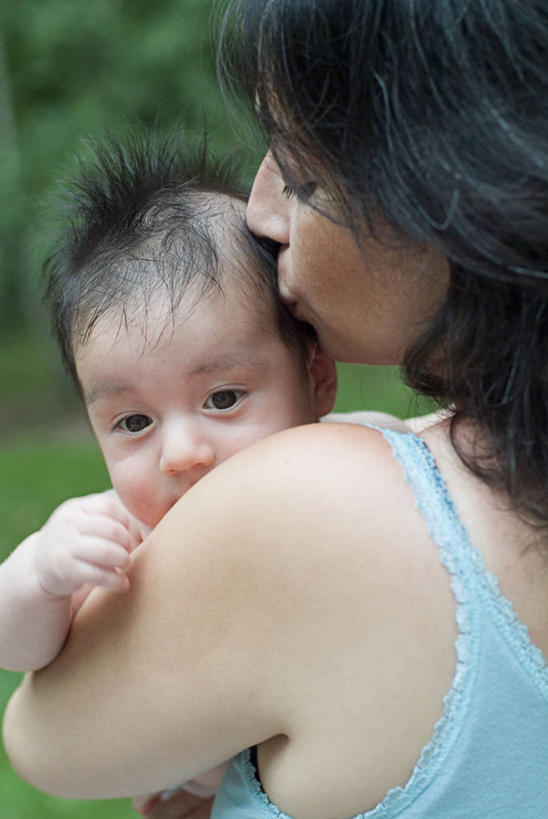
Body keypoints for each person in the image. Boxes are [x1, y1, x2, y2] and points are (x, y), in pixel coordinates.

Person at [4, 1, 548, 817]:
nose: (262, 212)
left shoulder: (310, 505)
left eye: (301, 174)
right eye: (132, 421)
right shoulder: (110, 535)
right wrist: (41, 575)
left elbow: (39, 736)